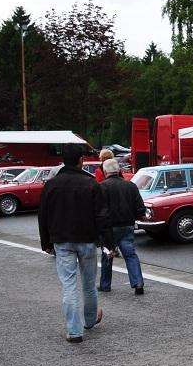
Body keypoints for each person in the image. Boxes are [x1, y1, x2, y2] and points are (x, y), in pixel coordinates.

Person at [39, 143, 111, 343]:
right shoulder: (91, 184)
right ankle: (89, 320)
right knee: (88, 284)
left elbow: (43, 216)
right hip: (87, 239)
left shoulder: (51, 185)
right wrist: (107, 242)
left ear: (63, 160)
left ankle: (74, 330)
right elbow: (102, 216)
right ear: (81, 160)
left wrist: (46, 242)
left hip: (61, 240)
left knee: (68, 285)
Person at [98, 159, 146, 295]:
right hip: (127, 225)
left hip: (110, 228)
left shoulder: (102, 187)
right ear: (119, 170)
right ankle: (138, 283)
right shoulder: (130, 186)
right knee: (130, 255)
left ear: (105, 171)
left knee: (107, 254)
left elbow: (100, 211)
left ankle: (105, 284)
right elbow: (140, 209)